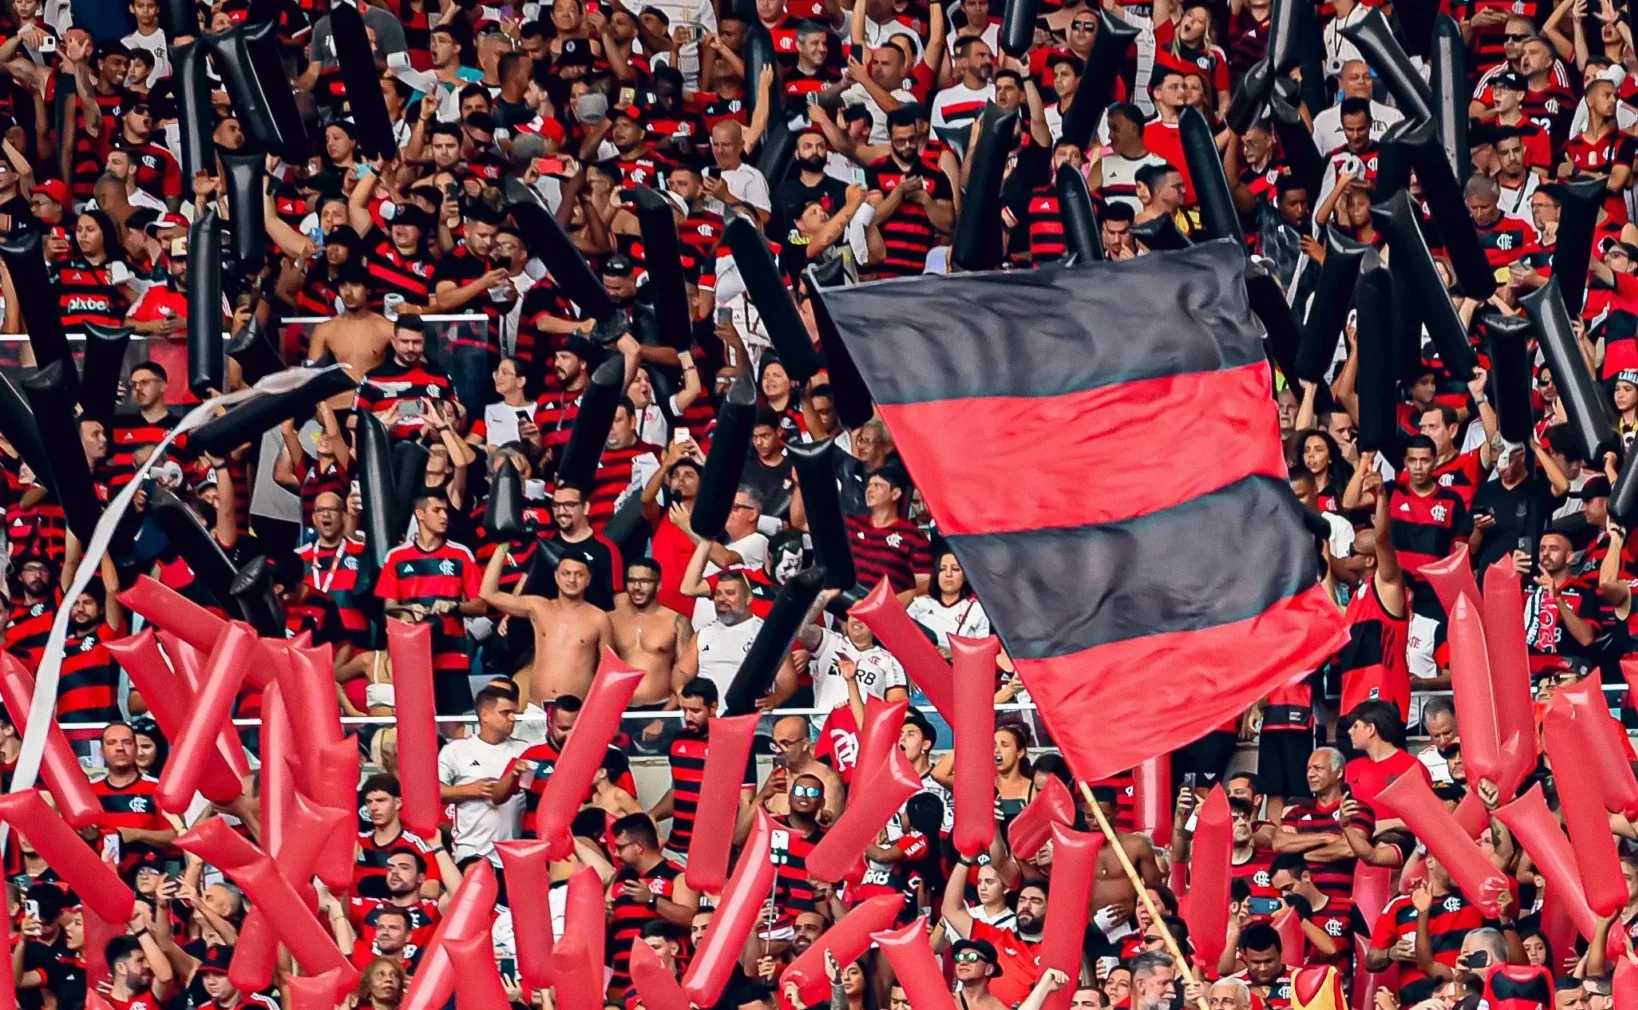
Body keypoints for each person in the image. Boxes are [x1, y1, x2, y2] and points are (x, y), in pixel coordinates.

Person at [480, 548, 613, 705]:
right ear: (556, 576)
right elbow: (488, 594)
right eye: (566, 573)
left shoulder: (599, 618)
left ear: (588, 579)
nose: (572, 580)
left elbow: (609, 671)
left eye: (579, 574)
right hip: (537, 707)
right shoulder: (539, 607)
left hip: (578, 711)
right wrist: (502, 547)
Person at [435, 685, 528, 863]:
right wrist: (470, 790)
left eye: (514, 713)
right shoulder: (456, 750)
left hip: (513, 854)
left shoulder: (524, 749)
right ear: (485, 715)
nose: (512, 718)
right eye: (505, 712)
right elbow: (434, 793)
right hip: (470, 853)